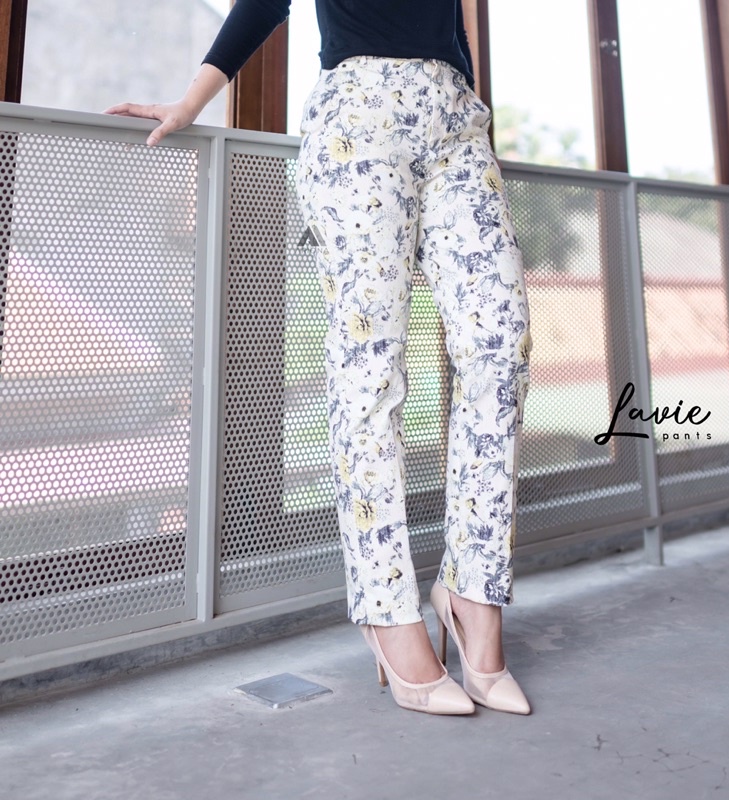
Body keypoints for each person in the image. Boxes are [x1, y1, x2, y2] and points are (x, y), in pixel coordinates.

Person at [105, 0, 533, 716]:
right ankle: (387, 610)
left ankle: (472, 591)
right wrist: (191, 100)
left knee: (501, 343)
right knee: (370, 373)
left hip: (458, 123)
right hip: (358, 121)